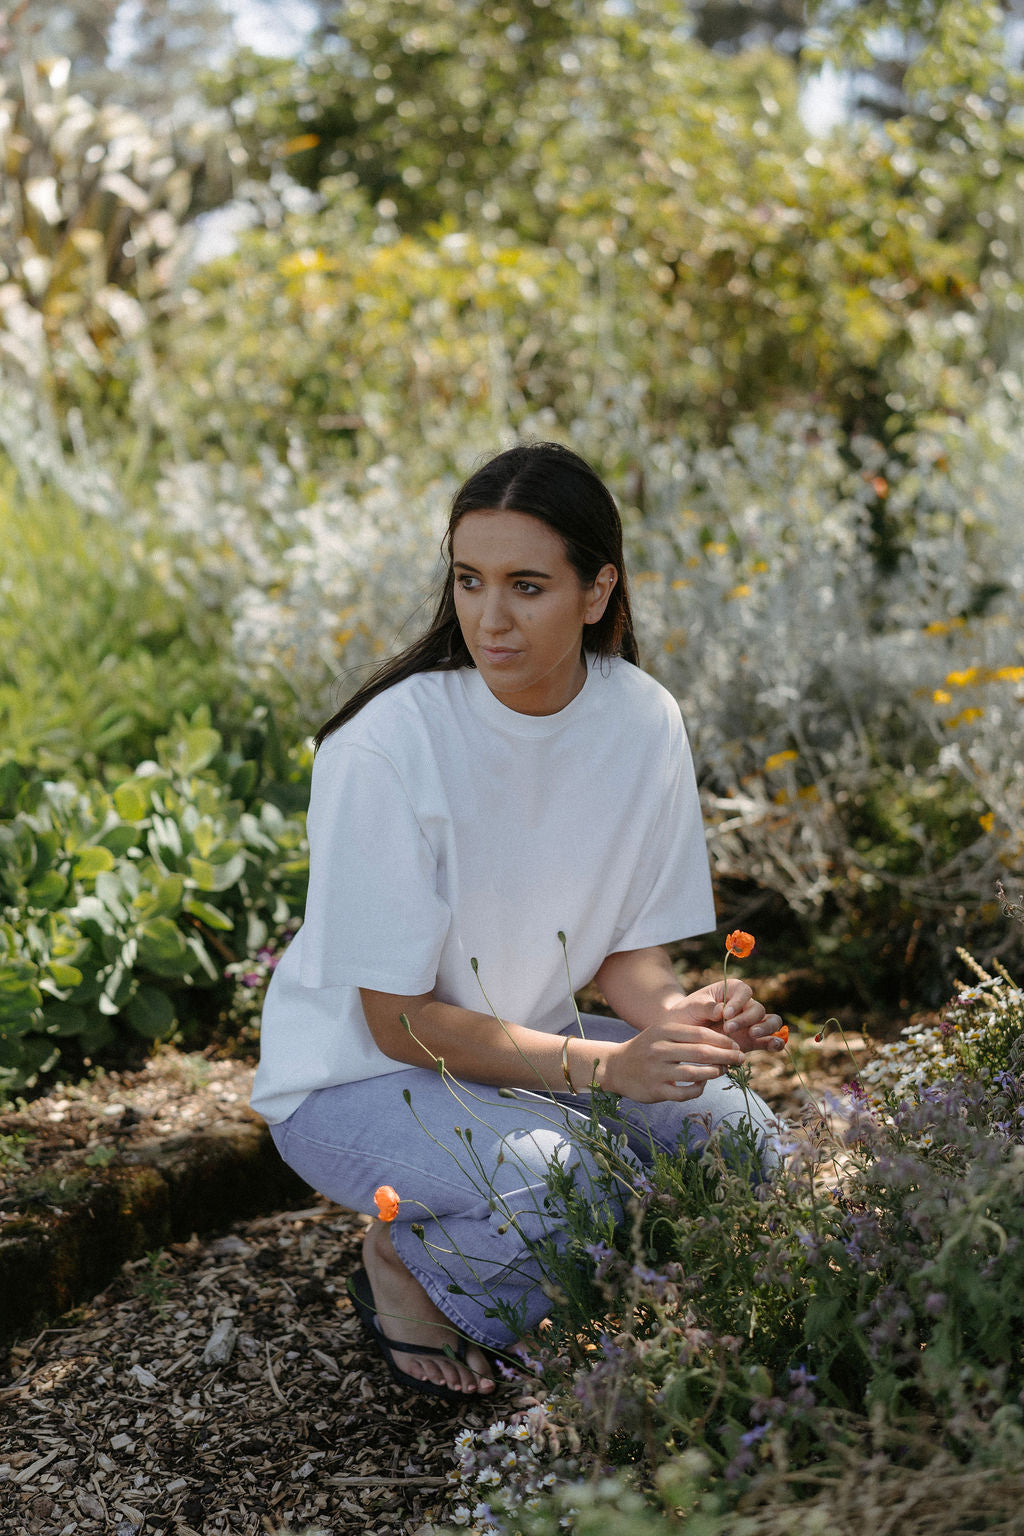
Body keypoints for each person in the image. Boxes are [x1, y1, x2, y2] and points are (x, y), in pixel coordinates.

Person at [251, 441, 785, 1403]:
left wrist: (681, 1022)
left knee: (745, 1144)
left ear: (597, 590)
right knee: (568, 1196)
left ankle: (560, 1258)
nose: (489, 618)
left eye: (526, 586)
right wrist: (611, 1070)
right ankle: (404, 1262)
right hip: (354, 1077)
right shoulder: (385, 747)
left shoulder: (642, 720)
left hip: (517, 1051)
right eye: (470, 580)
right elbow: (398, 1023)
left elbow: (627, 949)